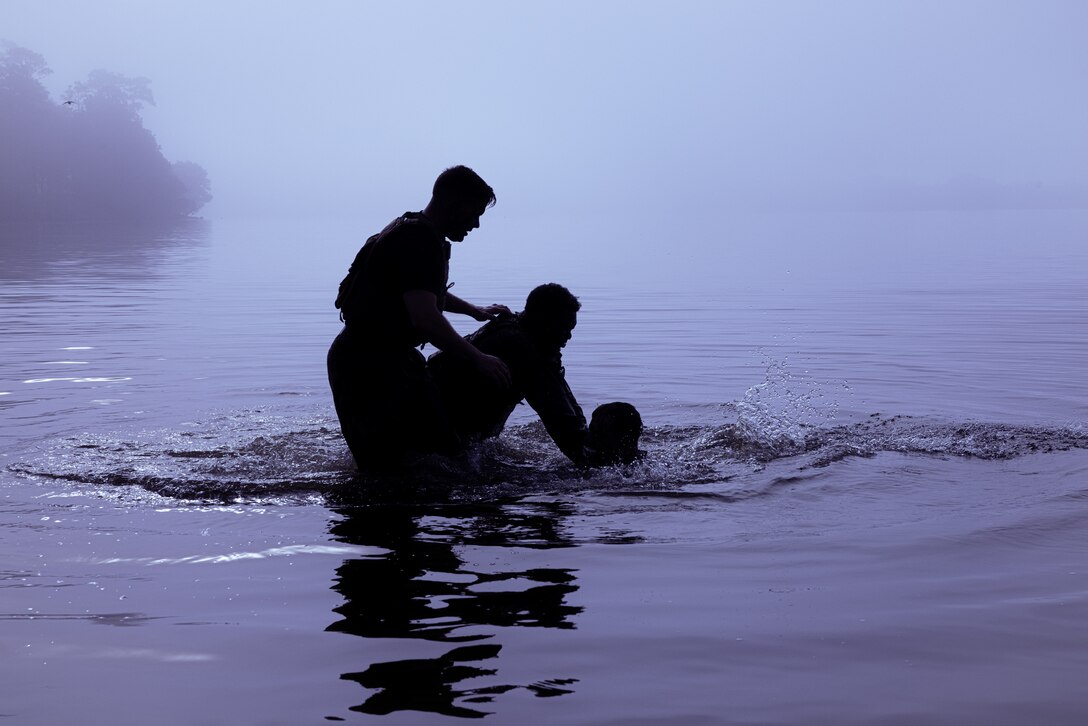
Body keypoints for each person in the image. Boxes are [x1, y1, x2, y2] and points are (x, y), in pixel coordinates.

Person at [328, 165, 511, 470]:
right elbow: (425, 318)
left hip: (379, 357)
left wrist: (472, 310)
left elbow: (419, 291)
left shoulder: (411, 228)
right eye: (475, 213)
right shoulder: (420, 241)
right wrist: (479, 358)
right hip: (368, 366)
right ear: (454, 203)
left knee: (439, 456)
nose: (476, 224)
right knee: (401, 467)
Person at [428, 283, 643, 466]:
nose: (568, 336)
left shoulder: (515, 331)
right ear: (542, 320)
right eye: (563, 327)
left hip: (440, 429)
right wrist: (610, 463)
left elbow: (561, 398)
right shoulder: (523, 350)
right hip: (440, 446)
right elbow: (566, 429)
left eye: (571, 329)